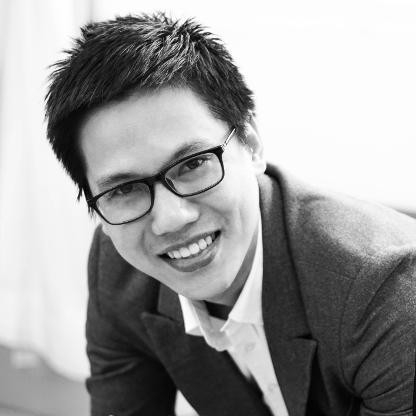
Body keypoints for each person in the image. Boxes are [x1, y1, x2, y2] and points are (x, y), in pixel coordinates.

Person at [45, 13, 416, 416]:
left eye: (193, 164)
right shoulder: (119, 269)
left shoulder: (386, 293)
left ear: (251, 144)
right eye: (123, 190)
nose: (171, 219)